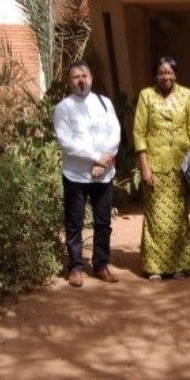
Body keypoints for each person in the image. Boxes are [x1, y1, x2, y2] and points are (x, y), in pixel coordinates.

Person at [53, 61, 122, 287]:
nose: (81, 80)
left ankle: (101, 265)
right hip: (76, 175)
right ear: (69, 81)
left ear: (91, 78)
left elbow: (115, 133)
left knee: (103, 222)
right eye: (76, 77)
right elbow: (66, 143)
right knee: (74, 222)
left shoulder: (104, 103)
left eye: (84, 75)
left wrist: (104, 161)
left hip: (104, 174)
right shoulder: (63, 108)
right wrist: (95, 157)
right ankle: (75, 267)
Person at [134, 56, 190, 281]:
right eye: (161, 72)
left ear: (176, 74)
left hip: (180, 166)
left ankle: (180, 264)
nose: (166, 77)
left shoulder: (187, 95)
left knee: (178, 216)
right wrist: (144, 166)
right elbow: (139, 133)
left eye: (169, 72)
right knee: (155, 216)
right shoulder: (146, 95)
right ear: (155, 75)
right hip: (155, 165)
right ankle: (155, 267)